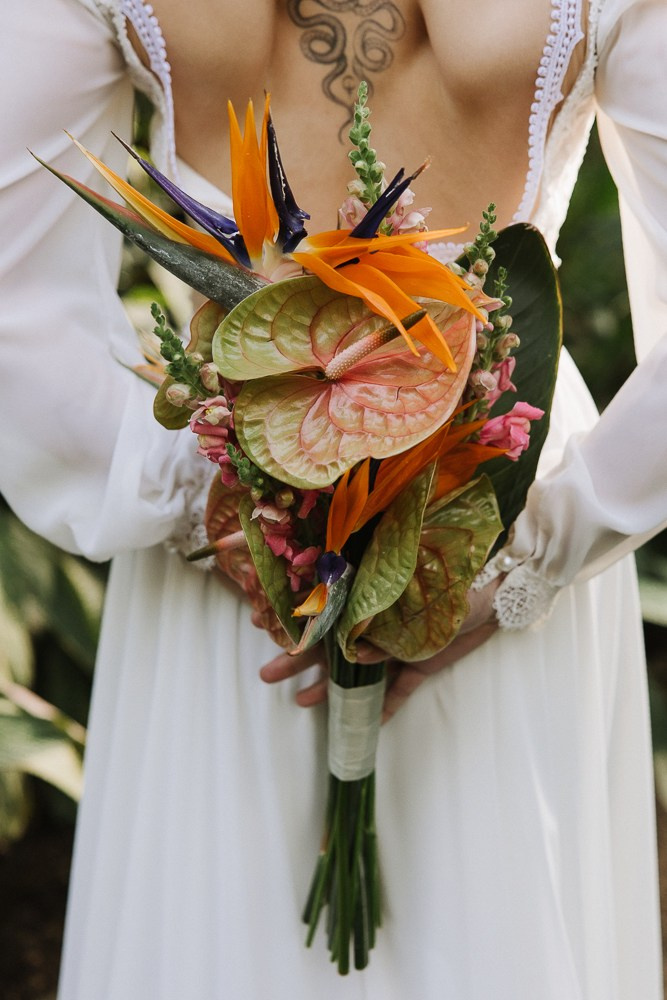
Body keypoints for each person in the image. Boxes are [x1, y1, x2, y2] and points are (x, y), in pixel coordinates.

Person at [1, 0, 666, 997]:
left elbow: (11, 311)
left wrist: (221, 505)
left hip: (236, 529)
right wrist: (529, 552)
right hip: (497, 498)